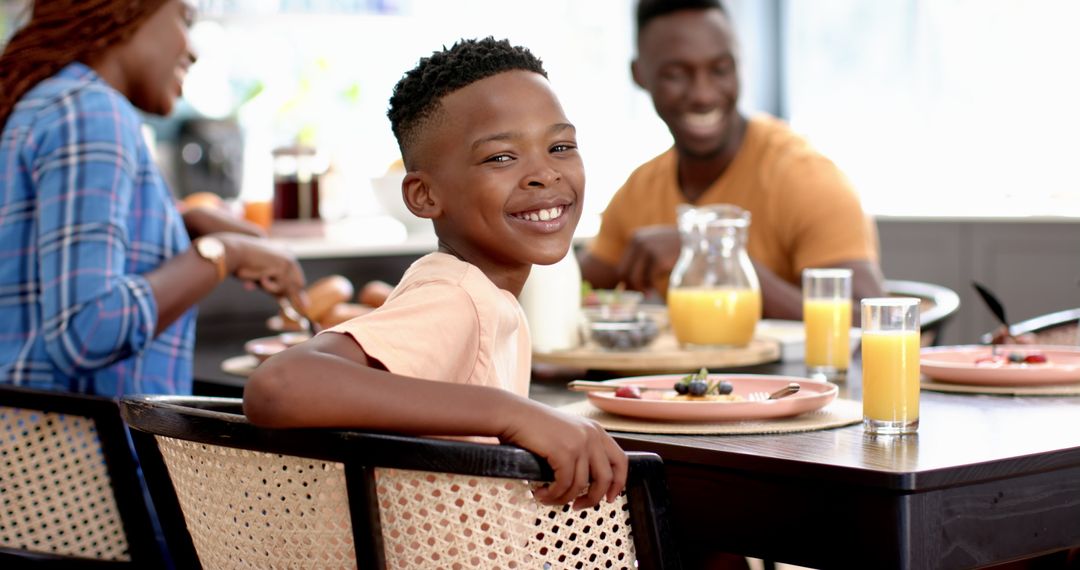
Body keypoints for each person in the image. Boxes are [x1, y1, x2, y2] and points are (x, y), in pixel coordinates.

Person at [243, 37, 627, 510]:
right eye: (500, 157)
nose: (544, 174)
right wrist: (512, 414)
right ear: (424, 196)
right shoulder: (458, 297)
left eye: (561, 146)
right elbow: (278, 385)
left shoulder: (482, 295)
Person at [0, 0, 307, 397]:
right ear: (125, 11)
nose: (193, 50)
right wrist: (222, 254)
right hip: (83, 454)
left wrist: (185, 222)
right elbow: (87, 330)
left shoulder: (50, 103)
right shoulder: (91, 112)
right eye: (185, 18)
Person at [579, 0, 885, 320]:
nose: (703, 94)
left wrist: (709, 253)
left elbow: (867, 323)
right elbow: (576, 289)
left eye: (720, 69)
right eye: (675, 75)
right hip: (691, 371)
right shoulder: (640, 190)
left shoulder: (804, 177)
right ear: (640, 74)